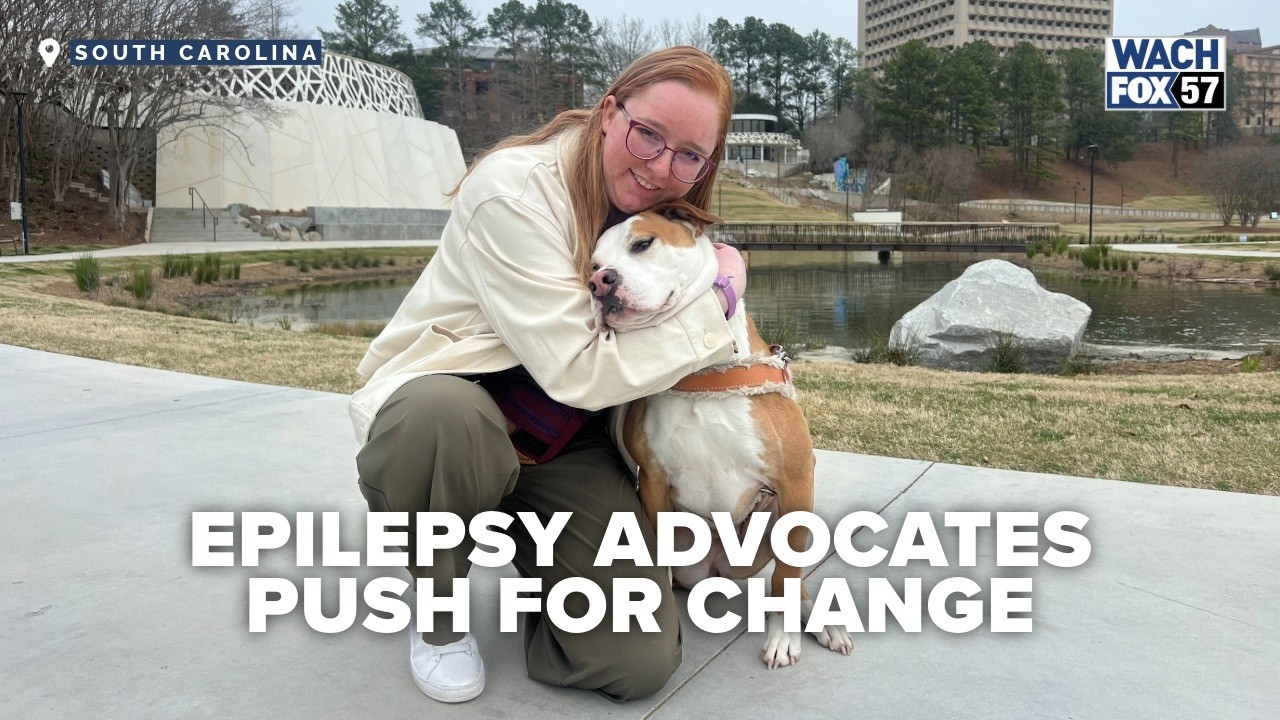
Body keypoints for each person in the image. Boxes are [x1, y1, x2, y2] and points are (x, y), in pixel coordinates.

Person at [348, 46, 747, 704]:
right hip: (462, 418)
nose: (660, 166)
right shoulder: (512, 189)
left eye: (688, 155)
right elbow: (578, 369)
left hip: (565, 445)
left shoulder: (664, 221)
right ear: (609, 113)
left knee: (636, 662)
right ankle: (440, 613)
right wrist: (720, 301)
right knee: (439, 419)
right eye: (648, 134)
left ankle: (544, 568)